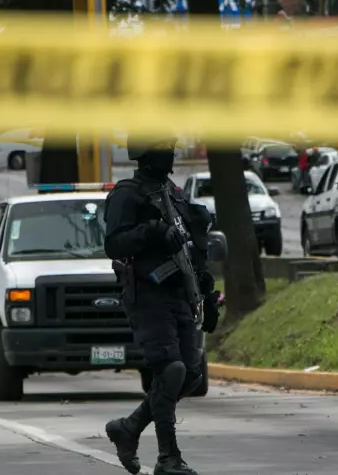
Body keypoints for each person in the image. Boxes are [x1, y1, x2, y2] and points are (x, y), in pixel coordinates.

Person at [103, 134, 221, 475]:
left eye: (171, 149)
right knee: (170, 370)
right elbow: (113, 243)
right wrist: (152, 231)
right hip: (148, 294)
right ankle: (168, 458)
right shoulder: (128, 194)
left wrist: (208, 295)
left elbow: (193, 253)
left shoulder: (174, 194)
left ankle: (129, 428)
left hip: (180, 293)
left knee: (191, 374)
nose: (170, 155)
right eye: (163, 149)